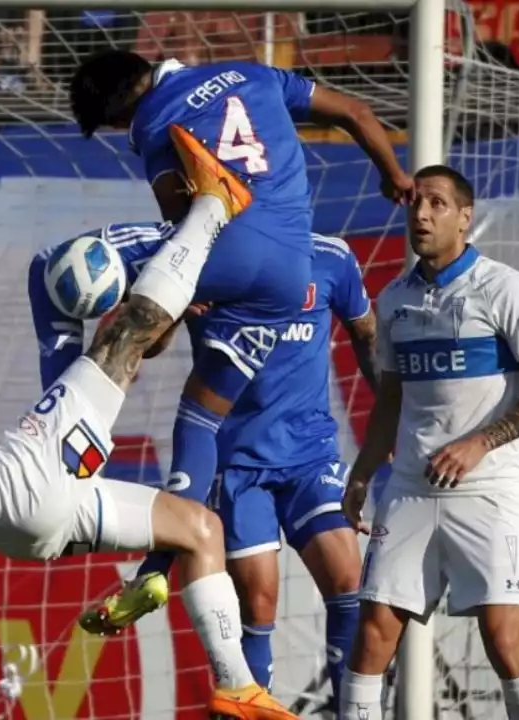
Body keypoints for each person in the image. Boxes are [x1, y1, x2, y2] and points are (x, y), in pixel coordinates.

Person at [0, 171, 296, 719]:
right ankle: (213, 205)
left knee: (200, 529)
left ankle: (235, 686)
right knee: (124, 333)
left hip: (21, 523)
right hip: (14, 485)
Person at [67, 50, 411, 594]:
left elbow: (183, 220)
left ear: (118, 111)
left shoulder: (152, 120)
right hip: (288, 274)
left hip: (229, 267)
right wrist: (394, 175)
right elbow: (354, 110)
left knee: (84, 295)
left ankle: (93, 495)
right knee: (327, 590)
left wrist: (165, 305)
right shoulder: (255, 74)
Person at [31, 228, 379, 702]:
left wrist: (389, 414)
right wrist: (176, 315)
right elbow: (149, 346)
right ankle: (253, 706)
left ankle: (354, 712)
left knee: (347, 582)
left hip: (309, 453)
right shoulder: (203, 258)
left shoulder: (332, 257)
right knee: (258, 601)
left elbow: (366, 333)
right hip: (235, 460)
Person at [339, 166, 519, 720]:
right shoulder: (393, 299)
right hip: (413, 490)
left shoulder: (503, 287)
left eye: (437, 203)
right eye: (416, 202)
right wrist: (363, 472)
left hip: (487, 490)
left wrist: (479, 443)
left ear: (465, 218)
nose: (420, 214)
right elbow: (391, 399)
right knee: (373, 635)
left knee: (505, 638)